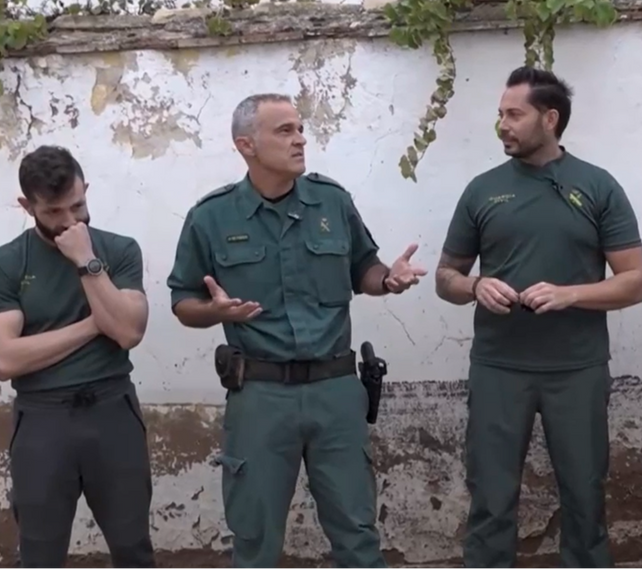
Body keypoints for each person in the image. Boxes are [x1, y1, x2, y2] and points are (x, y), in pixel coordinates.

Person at [166, 93, 426, 569]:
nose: (300, 138)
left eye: (300, 128)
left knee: (357, 533)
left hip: (336, 392)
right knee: (255, 538)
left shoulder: (332, 200)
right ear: (246, 144)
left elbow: (363, 267)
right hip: (261, 397)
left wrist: (388, 279)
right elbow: (182, 302)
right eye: (284, 130)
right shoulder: (211, 217)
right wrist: (217, 311)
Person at [434, 66, 642, 569]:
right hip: (498, 368)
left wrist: (570, 294)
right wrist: (474, 285)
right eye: (500, 115)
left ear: (550, 118)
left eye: (514, 114)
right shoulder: (482, 190)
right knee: (490, 499)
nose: (502, 125)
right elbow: (445, 278)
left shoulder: (598, 187)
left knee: (585, 498)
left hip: (577, 369)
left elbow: (635, 281)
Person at [0, 145, 154, 568]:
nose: (70, 221)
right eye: (54, 213)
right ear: (27, 206)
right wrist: (93, 324)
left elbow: (127, 331)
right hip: (42, 419)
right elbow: (5, 360)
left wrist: (86, 261)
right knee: (41, 551)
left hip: (112, 410)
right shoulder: (9, 262)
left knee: (132, 546)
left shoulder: (119, 250)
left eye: (78, 205)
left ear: (86, 189)